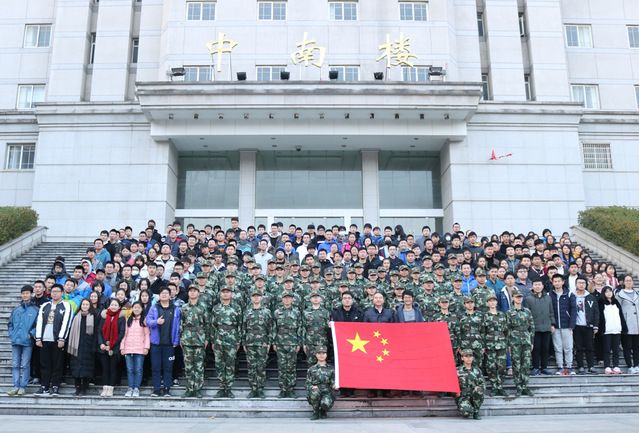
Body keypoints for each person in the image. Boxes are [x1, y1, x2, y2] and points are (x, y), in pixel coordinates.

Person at [34, 284, 72, 396]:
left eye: (57, 291)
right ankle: (44, 386)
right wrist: (38, 338)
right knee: (44, 364)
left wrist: (62, 338)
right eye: (53, 291)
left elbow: (66, 322)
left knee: (57, 364)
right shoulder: (45, 305)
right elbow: (39, 322)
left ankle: (55, 386)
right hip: (44, 339)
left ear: (62, 293)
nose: (54, 293)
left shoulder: (66, 305)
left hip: (57, 340)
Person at [146, 286, 181, 397]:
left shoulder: (175, 309)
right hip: (156, 344)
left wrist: (176, 341)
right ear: (159, 295)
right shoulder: (154, 307)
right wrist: (156, 322)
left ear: (170, 295)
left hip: (169, 344)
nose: (164, 295)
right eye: (162, 293)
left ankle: (167, 389)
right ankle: (156, 389)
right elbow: (148, 321)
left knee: (168, 367)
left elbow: (178, 326)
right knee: (156, 367)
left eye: (166, 293)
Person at [211, 286, 242, 398]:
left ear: (231, 294)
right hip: (218, 339)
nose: (225, 294)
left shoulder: (237, 308)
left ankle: (228, 388)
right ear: (220, 294)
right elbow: (212, 325)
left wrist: (238, 341)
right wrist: (213, 340)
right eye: (223, 292)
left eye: (227, 292)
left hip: (232, 339)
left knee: (230, 364)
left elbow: (240, 325)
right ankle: (221, 388)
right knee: (219, 364)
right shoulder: (216, 308)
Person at [7, 285, 38, 396]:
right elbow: (10, 324)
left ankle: (23, 387)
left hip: (27, 342)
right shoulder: (16, 310)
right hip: (15, 341)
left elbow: (38, 325)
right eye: (23, 293)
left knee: (25, 365)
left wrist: (31, 334)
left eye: (27, 293)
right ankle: (15, 386)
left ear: (31, 294)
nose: (25, 295)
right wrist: (12, 334)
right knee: (15, 364)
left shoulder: (35, 310)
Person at [242, 290, 273, 398]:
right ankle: (253, 389)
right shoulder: (247, 312)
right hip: (250, 343)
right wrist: (244, 343)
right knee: (251, 367)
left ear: (261, 298)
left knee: (261, 367)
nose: (256, 298)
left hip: (262, 343)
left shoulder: (267, 312)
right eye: (254, 296)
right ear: (251, 298)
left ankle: (260, 389)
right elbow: (243, 328)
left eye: (258, 296)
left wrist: (269, 343)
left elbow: (270, 328)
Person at [179, 286, 209, 398]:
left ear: (198, 293)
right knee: (188, 366)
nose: (192, 293)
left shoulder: (203, 307)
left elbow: (207, 324)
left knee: (199, 366)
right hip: (187, 339)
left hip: (199, 339)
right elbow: (181, 324)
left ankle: (197, 389)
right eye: (190, 291)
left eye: (194, 291)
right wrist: (181, 338)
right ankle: (189, 388)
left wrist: (207, 339)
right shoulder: (184, 307)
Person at [273, 291, 303, 398]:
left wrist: (299, 342)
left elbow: (300, 328)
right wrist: (274, 342)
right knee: (281, 367)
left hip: (293, 342)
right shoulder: (277, 312)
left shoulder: (297, 312)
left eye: (289, 298)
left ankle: (290, 389)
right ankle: (283, 389)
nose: (287, 300)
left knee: (291, 367)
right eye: (285, 298)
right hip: (280, 342)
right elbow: (274, 328)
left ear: (292, 299)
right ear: (282, 299)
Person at [66, 298, 97, 396]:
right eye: (83, 304)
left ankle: (84, 389)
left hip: (88, 347)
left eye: (87, 304)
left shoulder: (94, 316)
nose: (85, 306)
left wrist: (94, 346)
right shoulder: (76, 317)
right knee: (76, 368)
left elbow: (96, 333)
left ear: (90, 306)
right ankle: (77, 388)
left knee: (86, 369)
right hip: (76, 346)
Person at [507, 290, 535, 396]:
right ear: (513, 298)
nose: (519, 299)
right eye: (517, 297)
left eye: (520, 297)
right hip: (514, 341)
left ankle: (525, 386)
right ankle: (518, 386)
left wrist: (531, 341)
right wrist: (508, 344)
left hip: (526, 340)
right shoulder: (509, 312)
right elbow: (507, 329)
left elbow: (532, 326)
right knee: (516, 364)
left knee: (526, 364)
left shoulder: (527, 311)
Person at [120, 302, 150, 398]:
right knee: (129, 370)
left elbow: (147, 335)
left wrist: (146, 347)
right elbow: (124, 335)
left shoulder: (144, 320)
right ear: (132, 309)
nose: (136, 309)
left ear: (141, 309)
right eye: (135, 307)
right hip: (128, 348)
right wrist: (122, 347)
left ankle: (136, 388)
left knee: (138, 369)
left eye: (138, 307)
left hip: (140, 349)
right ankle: (130, 388)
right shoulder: (128, 320)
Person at [526, 278, 555, 375]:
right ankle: (535, 367)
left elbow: (551, 312)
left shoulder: (548, 298)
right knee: (536, 348)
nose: (537, 286)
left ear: (542, 286)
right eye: (535, 285)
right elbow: (526, 314)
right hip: (535, 328)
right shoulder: (528, 299)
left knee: (545, 348)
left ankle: (544, 367)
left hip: (546, 327)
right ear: (532, 286)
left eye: (539, 285)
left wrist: (552, 324)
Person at [98, 298, 126, 397]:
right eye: (112, 305)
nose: (113, 307)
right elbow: (99, 331)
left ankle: (111, 388)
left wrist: (112, 345)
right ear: (109, 306)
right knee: (105, 368)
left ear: (119, 307)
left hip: (115, 347)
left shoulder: (121, 318)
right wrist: (102, 344)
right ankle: (105, 388)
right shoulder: (104, 316)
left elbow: (121, 333)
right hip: (104, 347)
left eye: (115, 305)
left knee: (113, 368)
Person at [549, 274, 576, 375]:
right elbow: (548, 311)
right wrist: (551, 324)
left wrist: (572, 326)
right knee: (558, 347)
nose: (557, 283)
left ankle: (569, 366)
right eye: (555, 281)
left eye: (559, 281)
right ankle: (560, 366)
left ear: (563, 282)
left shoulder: (569, 294)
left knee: (568, 347)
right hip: (555, 326)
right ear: (552, 282)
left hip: (567, 326)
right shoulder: (549, 295)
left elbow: (574, 310)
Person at [573, 277, 599, 374]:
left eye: (583, 283)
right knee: (578, 347)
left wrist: (596, 325)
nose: (581, 285)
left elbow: (596, 312)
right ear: (576, 284)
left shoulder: (590, 297)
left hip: (588, 326)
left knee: (590, 347)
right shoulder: (572, 296)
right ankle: (580, 366)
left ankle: (591, 366)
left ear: (586, 284)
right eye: (579, 283)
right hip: (576, 326)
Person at [483, 293, 508, 396]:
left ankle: (500, 386)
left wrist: (507, 343)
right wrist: (483, 345)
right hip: (490, 344)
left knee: (502, 366)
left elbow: (506, 330)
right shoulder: (485, 316)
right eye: (490, 301)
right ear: (487, 303)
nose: (492, 303)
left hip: (501, 343)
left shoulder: (502, 315)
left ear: (497, 302)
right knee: (491, 366)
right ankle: (494, 387)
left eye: (494, 301)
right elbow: (483, 331)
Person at [599, 286, 626, 374]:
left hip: (616, 329)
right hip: (606, 330)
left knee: (616, 350)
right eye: (606, 292)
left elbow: (621, 315)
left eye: (610, 291)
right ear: (603, 293)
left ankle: (616, 366)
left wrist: (623, 327)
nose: (609, 293)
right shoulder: (601, 302)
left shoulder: (616, 302)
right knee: (606, 349)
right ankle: (607, 366)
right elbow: (600, 317)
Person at [306, 346, 336, 420]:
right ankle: (315, 412)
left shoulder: (331, 369)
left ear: (326, 355)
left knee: (325, 403)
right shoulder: (311, 369)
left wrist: (334, 386)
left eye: (323, 353)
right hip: (316, 390)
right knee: (315, 393)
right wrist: (312, 387)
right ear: (316, 355)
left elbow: (333, 382)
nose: (321, 355)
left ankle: (323, 411)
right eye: (319, 353)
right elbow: (307, 383)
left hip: (327, 392)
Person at [616, 275, 639, 374]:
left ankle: (636, 365)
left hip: (637, 324)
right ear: (624, 282)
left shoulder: (637, 293)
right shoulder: (619, 295)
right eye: (627, 280)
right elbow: (617, 310)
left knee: (636, 347)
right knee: (627, 346)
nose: (629, 282)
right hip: (626, 324)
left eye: (630, 280)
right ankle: (630, 365)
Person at [455, 349, 485, 420]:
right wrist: (456, 392)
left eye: (470, 356)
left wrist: (479, 389)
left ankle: (476, 412)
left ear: (473, 358)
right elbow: (453, 384)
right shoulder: (457, 370)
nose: (469, 358)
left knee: (478, 390)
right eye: (466, 356)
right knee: (466, 412)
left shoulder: (477, 370)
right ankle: (468, 407)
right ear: (462, 358)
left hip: (474, 395)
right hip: (463, 396)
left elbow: (482, 384)